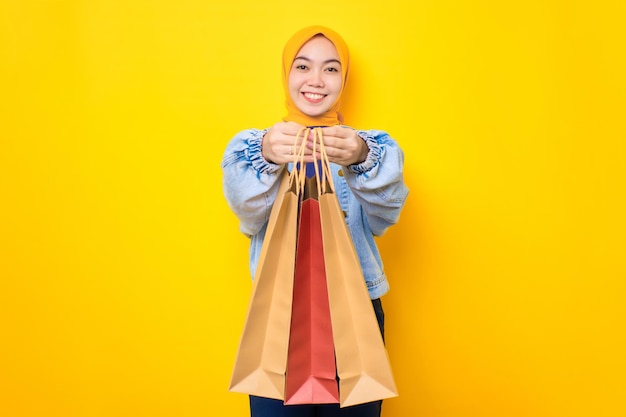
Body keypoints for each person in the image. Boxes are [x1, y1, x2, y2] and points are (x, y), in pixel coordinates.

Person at [221, 25, 409, 417]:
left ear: (344, 79)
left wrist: (361, 157)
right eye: (303, 66)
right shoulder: (254, 145)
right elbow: (248, 215)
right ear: (287, 73)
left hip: (355, 308)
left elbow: (384, 217)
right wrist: (268, 156)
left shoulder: (369, 145)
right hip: (279, 312)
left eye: (331, 69)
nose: (315, 80)